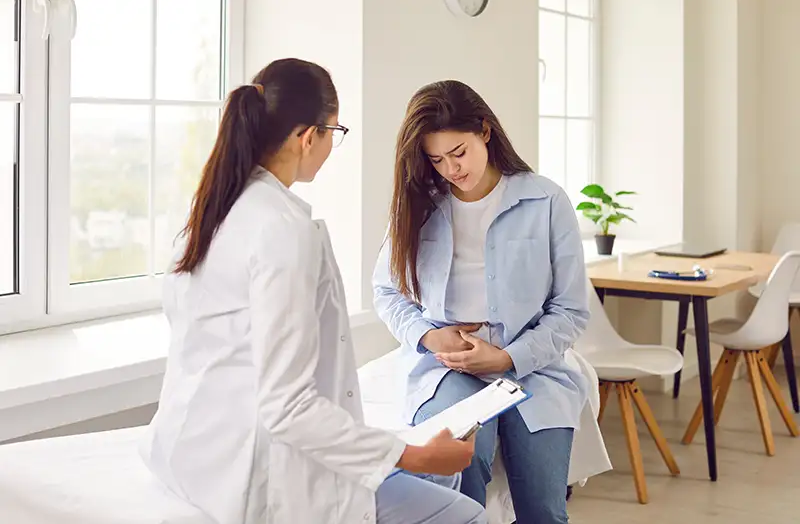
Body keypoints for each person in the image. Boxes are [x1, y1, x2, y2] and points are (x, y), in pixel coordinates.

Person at [139, 59, 487, 524]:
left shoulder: (211, 213)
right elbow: (288, 408)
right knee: (467, 516)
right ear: (309, 137)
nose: (330, 146)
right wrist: (414, 455)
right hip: (256, 479)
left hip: (190, 454)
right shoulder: (280, 230)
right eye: (334, 133)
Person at [372, 80, 591, 524]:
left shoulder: (545, 200)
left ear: (485, 132)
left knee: (545, 508)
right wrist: (430, 337)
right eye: (437, 159)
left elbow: (571, 310)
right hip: (446, 370)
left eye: (459, 152)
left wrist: (507, 356)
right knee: (462, 476)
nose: (451, 168)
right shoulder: (419, 207)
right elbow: (387, 292)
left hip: (536, 371)